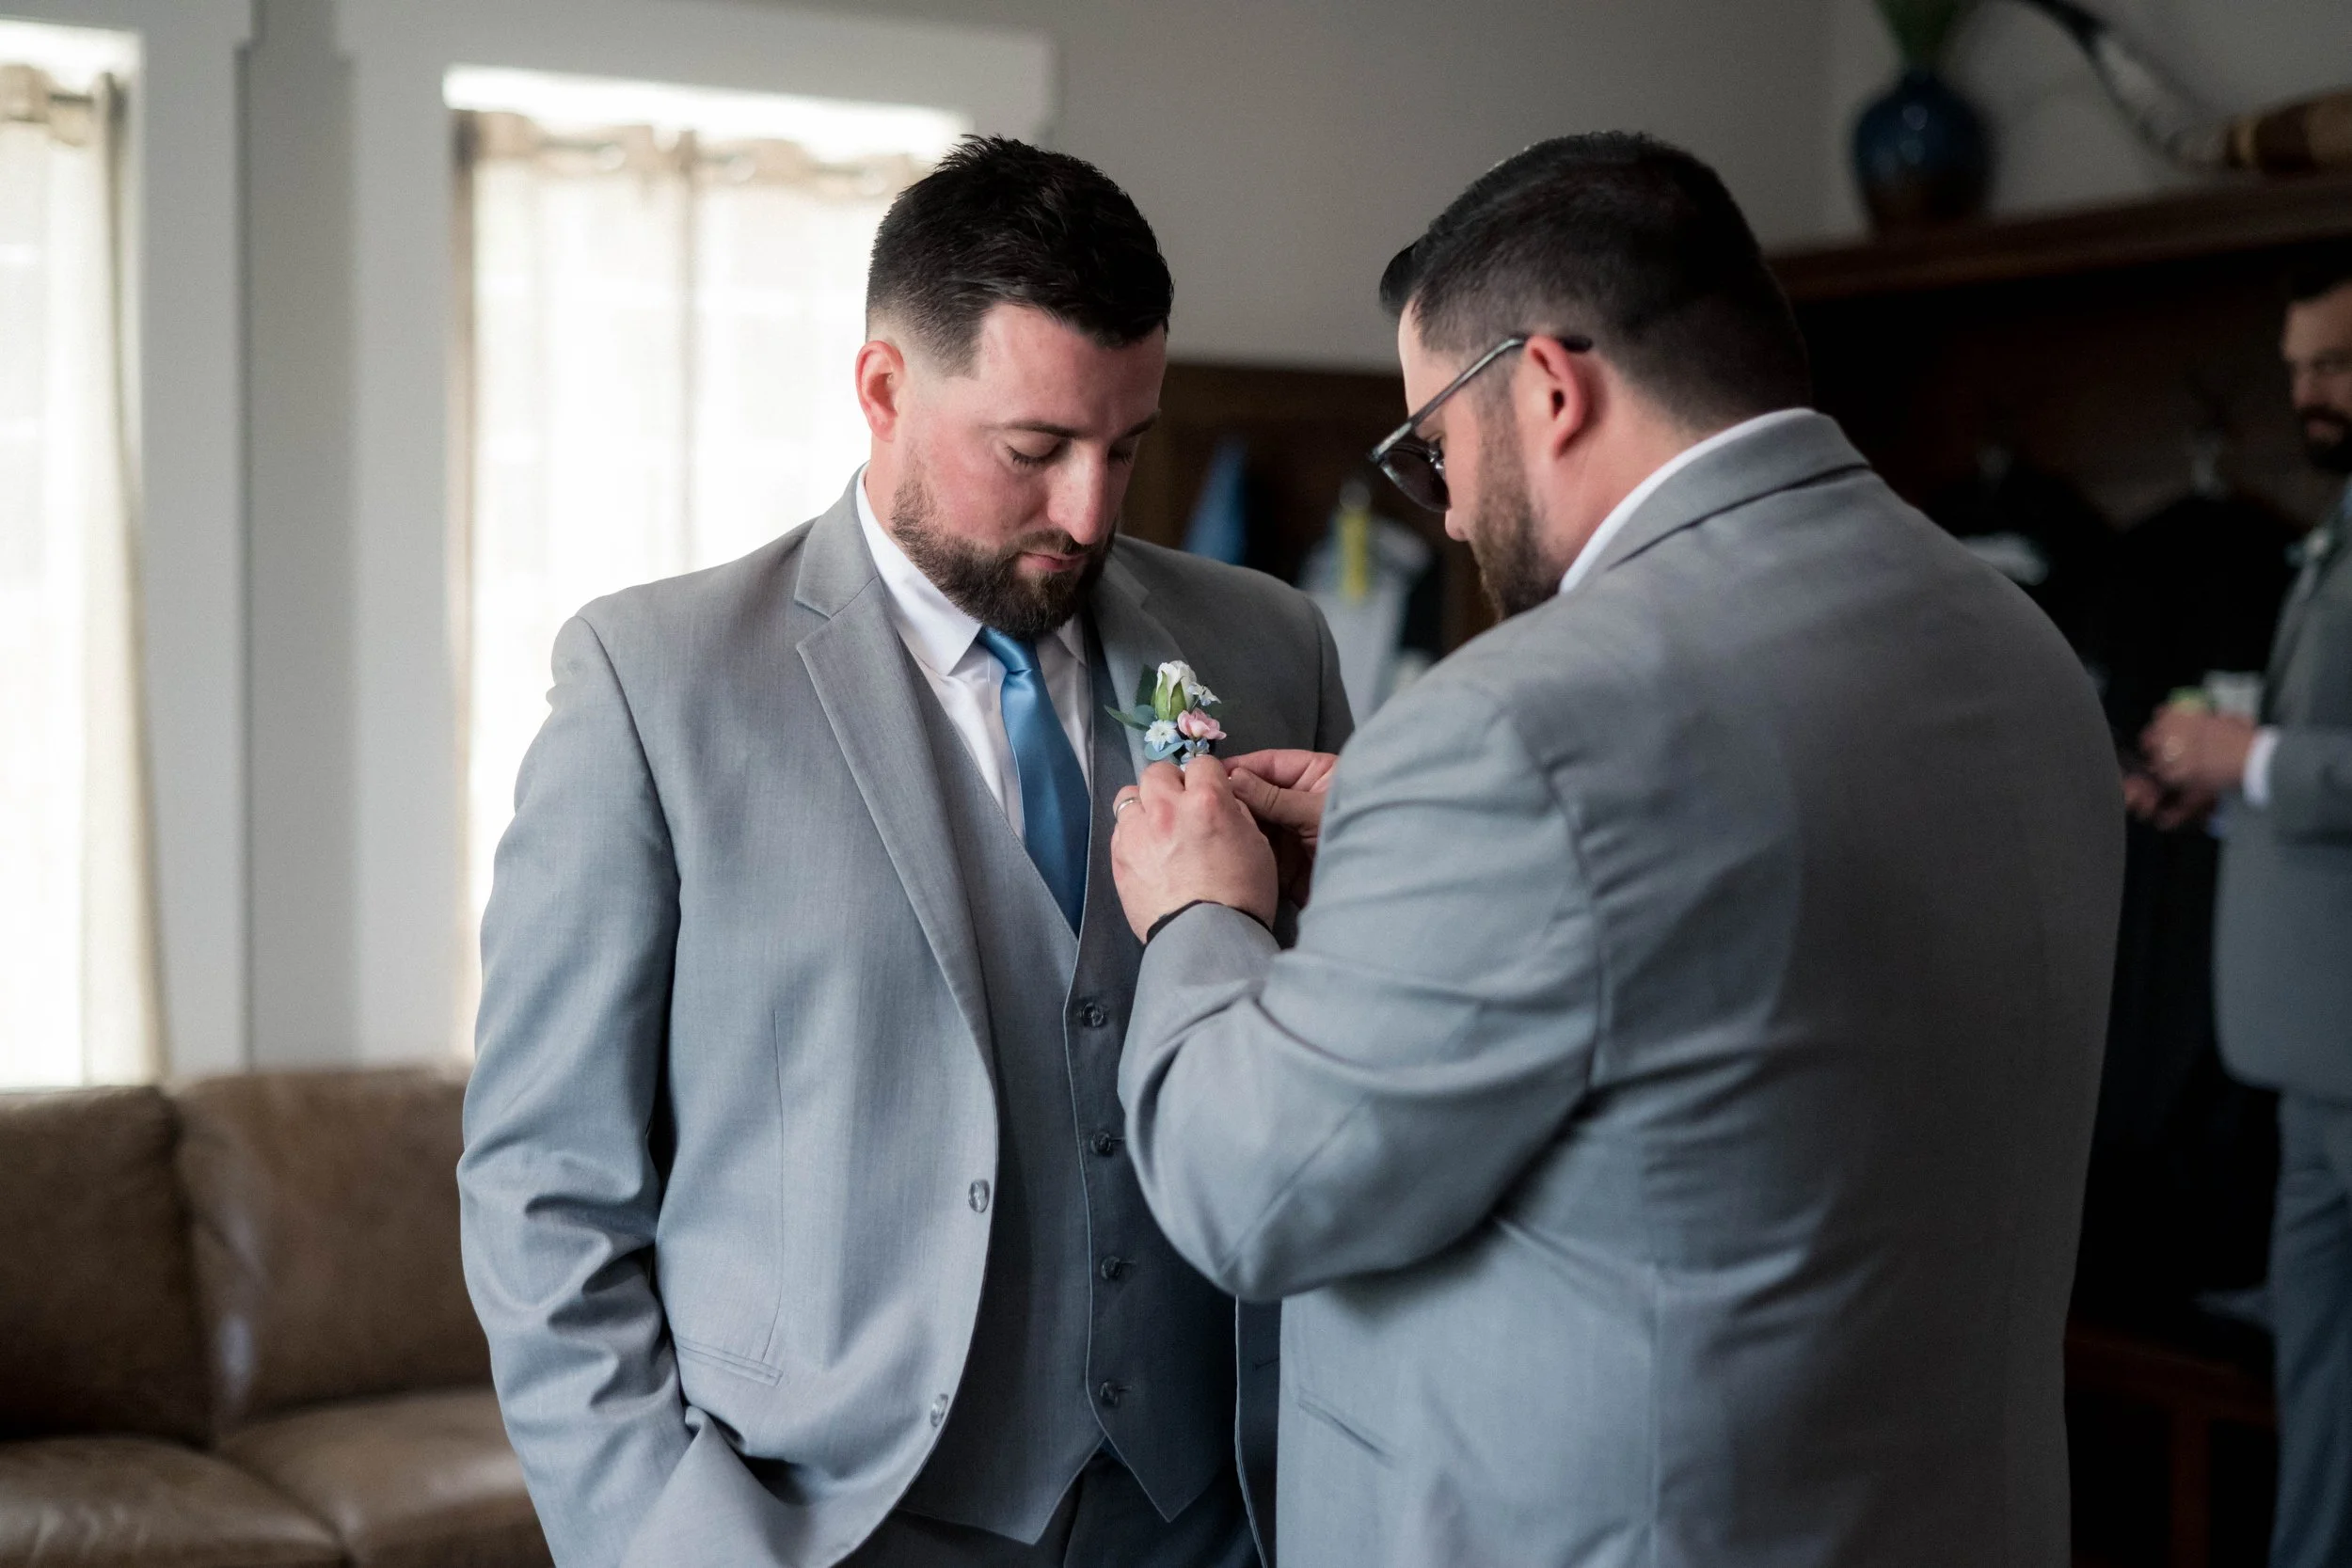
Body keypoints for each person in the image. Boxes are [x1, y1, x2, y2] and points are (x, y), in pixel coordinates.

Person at [1105, 133, 2123, 1567]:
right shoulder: (2015, 644)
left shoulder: (1521, 728)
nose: (1448, 510)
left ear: (1547, 386)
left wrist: (1202, 911)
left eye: (1436, 452)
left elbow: (1254, 1191)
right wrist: (1412, 836)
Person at [458, 136, 1349, 1568]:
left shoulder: (1269, 644)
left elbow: (1348, 1082)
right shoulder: (654, 682)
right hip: (831, 1525)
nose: (1093, 514)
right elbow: (542, 1191)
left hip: (1209, 1518)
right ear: (882, 388)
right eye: (1035, 449)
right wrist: (667, 1539)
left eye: (1126, 445)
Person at [2139, 248, 2352, 1568]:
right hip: (2306, 1072)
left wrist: (2253, 759)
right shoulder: (2332, 527)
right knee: (2321, 1392)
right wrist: (2209, 793)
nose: (2307, 394)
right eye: (2296, 371)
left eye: (2333, 363)